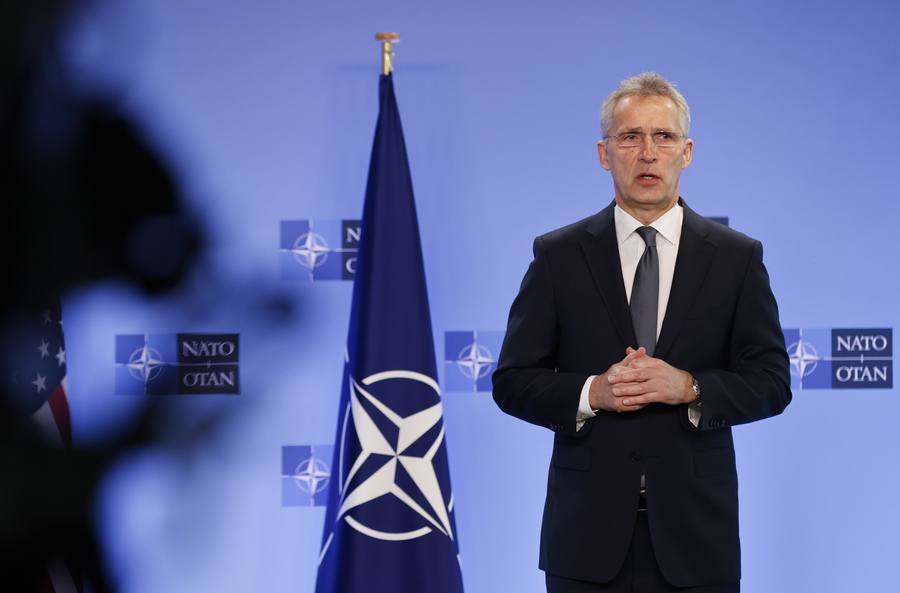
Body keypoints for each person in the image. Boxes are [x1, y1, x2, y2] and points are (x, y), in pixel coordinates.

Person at [492, 72, 791, 593]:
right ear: (605, 153)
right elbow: (513, 380)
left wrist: (691, 387)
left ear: (687, 151)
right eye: (630, 137)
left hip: (698, 540)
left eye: (664, 137)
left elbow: (770, 381)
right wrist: (592, 392)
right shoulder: (558, 256)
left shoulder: (737, 258)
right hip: (585, 540)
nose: (648, 153)